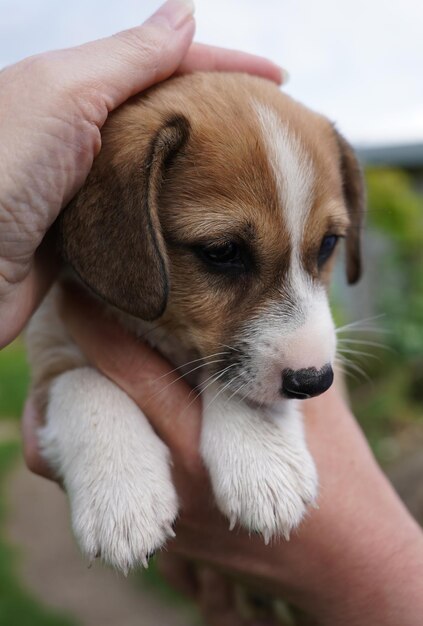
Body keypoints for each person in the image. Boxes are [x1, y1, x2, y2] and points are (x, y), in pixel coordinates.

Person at [1, 1, 423, 624]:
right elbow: (59, 377)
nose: (310, 353)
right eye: (225, 253)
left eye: (326, 246)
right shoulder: (100, 249)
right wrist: (88, 412)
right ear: (124, 225)